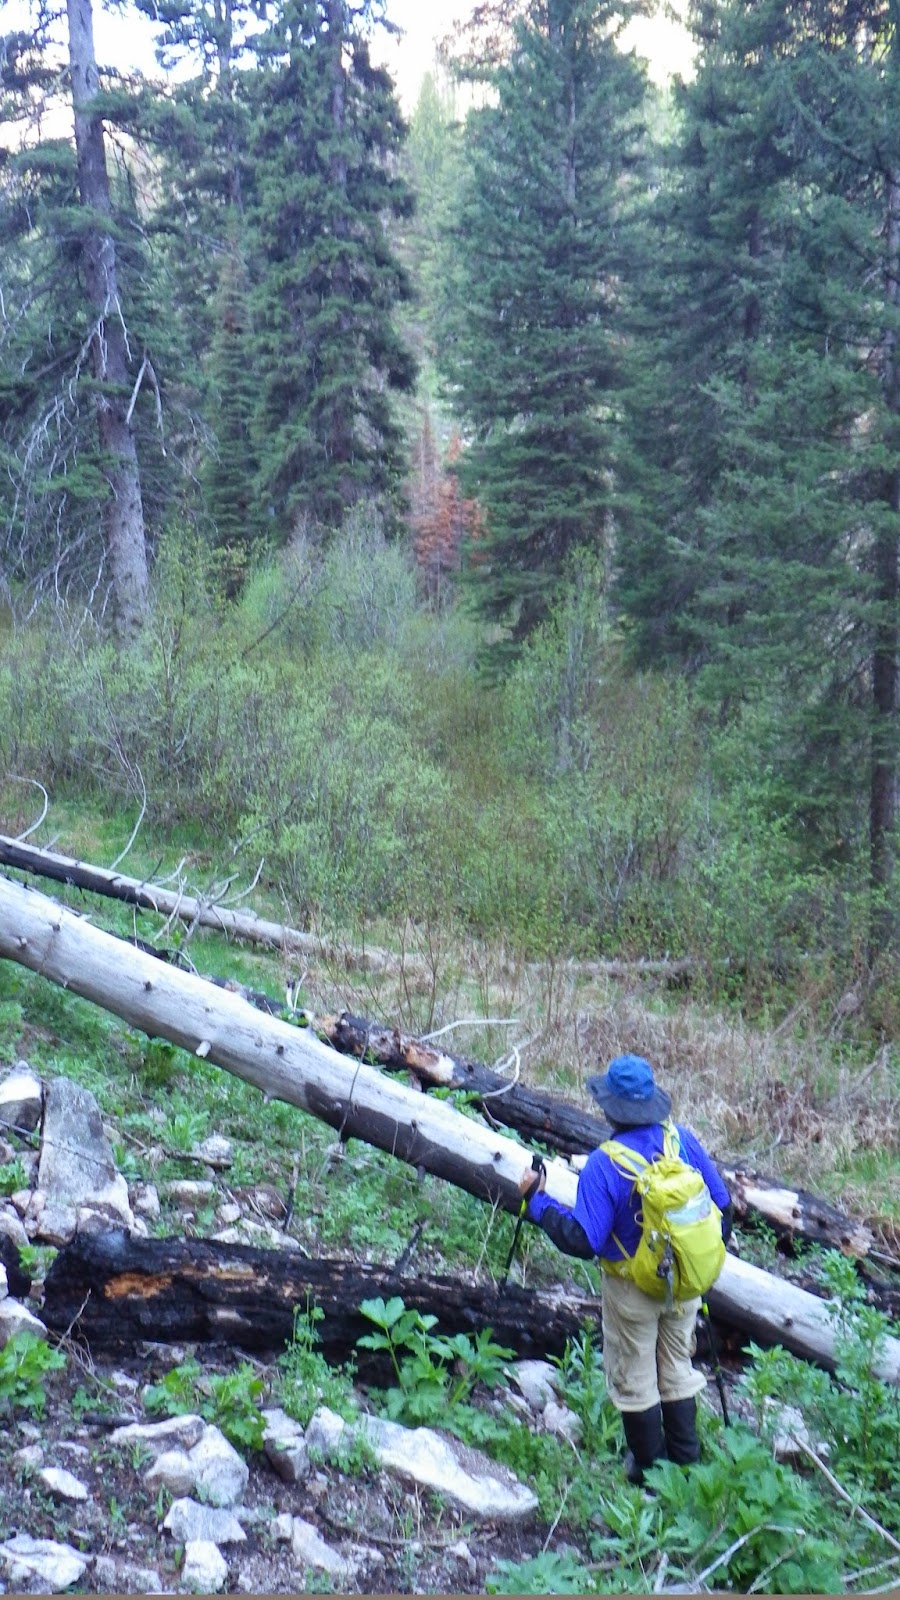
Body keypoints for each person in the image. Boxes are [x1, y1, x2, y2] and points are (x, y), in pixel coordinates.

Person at [519, 1053, 733, 1483]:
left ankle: (649, 1478)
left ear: (610, 1108)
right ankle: (686, 1471)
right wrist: (695, 1268)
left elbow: (582, 1239)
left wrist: (535, 1202)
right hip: (685, 1285)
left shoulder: (604, 1164)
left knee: (635, 1379)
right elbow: (723, 1208)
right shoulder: (682, 1141)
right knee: (677, 1370)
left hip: (631, 1291)